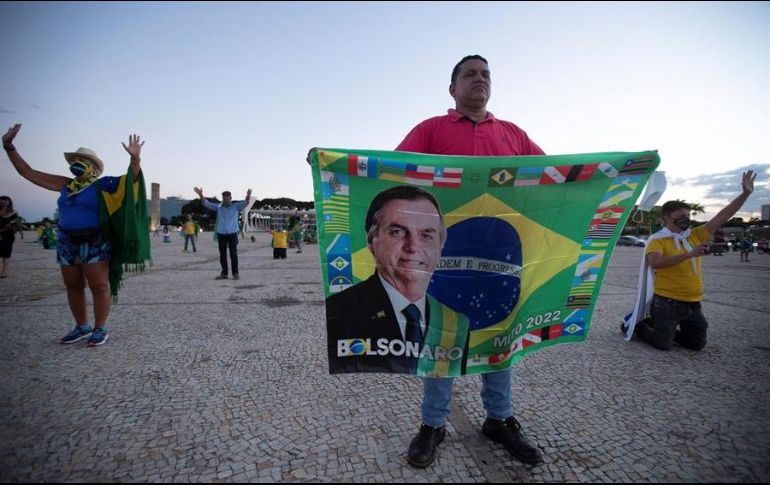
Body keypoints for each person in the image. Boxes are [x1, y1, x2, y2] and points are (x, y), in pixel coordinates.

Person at [396, 55, 546, 468]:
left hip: (500, 258)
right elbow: (389, 175)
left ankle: (499, 419)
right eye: (469, 74)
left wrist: (613, 177)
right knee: (442, 337)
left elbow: (553, 179)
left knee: (500, 336)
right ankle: (433, 424)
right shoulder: (431, 129)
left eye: (485, 74)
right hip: (444, 258)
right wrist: (335, 167)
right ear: (452, 88)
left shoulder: (513, 134)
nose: (479, 79)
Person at [3, 123, 149, 347]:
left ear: (94, 168)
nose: (76, 164)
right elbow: (28, 173)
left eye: (83, 161)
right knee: (72, 284)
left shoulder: (103, 185)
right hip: (66, 240)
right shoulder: (65, 185)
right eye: (73, 161)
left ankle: (100, 328)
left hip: (95, 239)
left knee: (99, 285)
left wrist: (135, 159)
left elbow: (132, 181)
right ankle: (82, 326)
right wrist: (9, 147)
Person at [326, 186, 466, 376]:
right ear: (371, 241)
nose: (413, 246)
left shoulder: (457, 323)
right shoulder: (340, 311)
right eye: (398, 232)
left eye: (426, 235)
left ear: (440, 248)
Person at [630, 171, 756, 351]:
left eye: (687, 216)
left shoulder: (695, 235)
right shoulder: (658, 240)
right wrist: (689, 254)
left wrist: (745, 194)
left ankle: (662, 327)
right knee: (662, 344)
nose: (686, 221)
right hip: (667, 301)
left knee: (696, 344)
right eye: (680, 218)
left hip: (693, 302)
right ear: (666, 218)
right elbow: (656, 262)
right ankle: (639, 325)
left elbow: (722, 216)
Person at [194, 187, 252, 280]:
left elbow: (246, 203)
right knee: (222, 254)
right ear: (222, 198)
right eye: (224, 198)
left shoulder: (236, 206)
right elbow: (206, 203)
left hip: (232, 233)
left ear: (230, 198)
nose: (225, 200)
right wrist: (201, 195)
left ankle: (235, 273)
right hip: (221, 233)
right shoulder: (218, 207)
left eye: (227, 198)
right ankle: (224, 273)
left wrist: (248, 195)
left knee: (233, 254)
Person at [0, 196, 20, 278]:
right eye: (2, 200)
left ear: (9, 202)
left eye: (6, 200)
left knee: (6, 254)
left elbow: (11, 224)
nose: (4, 202)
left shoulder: (13, 212)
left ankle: (4, 272)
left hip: (8, 235)